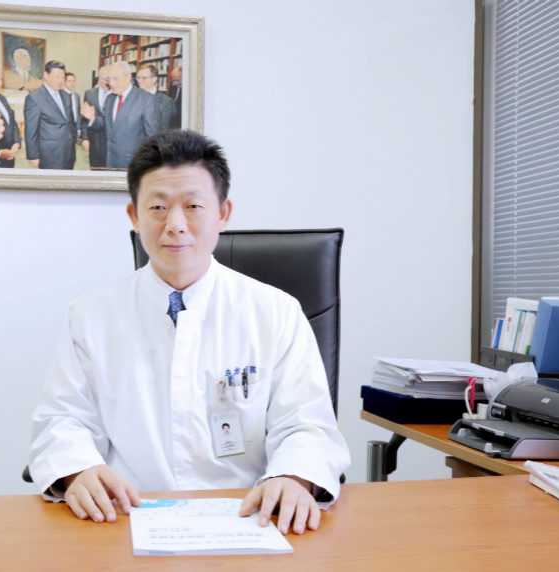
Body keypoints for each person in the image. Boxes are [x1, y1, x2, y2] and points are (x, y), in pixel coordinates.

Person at [28, 130, 350, 535]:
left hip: (250, 517)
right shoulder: (90, 315)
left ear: (223, 213)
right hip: (125, 517)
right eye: (158, 207)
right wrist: (78, 470)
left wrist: (292, 477)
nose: (175, 225)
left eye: (194, 206)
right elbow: (62, 419)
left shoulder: (276, 312)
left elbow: (307, 424)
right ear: (134, 216)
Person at [80, 61, 160, 170]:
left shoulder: (146, 99)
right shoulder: (110, 99)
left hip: (133, 163)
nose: (111, 84)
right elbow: (105, 123)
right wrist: (92, 118)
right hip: (110, 161)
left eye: (115, 79)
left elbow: (152, 137)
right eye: (109, 79)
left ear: (128, 77)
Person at [23, 60, 76, 170]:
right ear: (46, 75)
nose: (60, 80)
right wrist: (33, 156)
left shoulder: (66, 96)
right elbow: (31, 130)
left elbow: (70, 122)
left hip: (68, 152)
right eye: (57, 76)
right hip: (49, 155)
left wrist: (73, 141)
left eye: (62, 77)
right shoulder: (35, 98)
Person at [80, 66, 111, 170]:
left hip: (110, 141)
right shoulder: (90, 93)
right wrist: (85, 138)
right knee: (95, 169)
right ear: (99, 77)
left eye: (109, 79)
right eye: (104, 79)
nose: (106, 82)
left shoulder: (116, 94)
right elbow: (85, 118)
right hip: (94, 140)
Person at [136, 64, 175, 131]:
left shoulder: (166, 102)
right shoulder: (135, 98)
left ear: (154, 79)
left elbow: (165, 130)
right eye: (138, 78)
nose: (139, 81)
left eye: (144, 78)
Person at [63, 72, 81, 137]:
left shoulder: (77, 95)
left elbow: (78, 113)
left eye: (74, 81)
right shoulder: (60, 95)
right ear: (64, 82)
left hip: (74, 127)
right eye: (69, 81)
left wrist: (78, 129)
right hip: (64, 128)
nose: (72, 83)